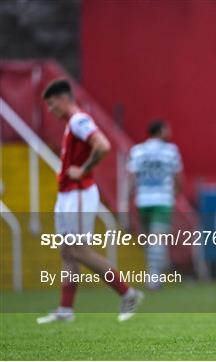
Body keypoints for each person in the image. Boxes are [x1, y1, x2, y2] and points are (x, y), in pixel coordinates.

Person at [37, 79, 143, 324]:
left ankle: (127, 293)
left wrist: (83, 168)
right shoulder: (71, 123)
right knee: (67, 251)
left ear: (64, 99)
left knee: (78, 250)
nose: (51, 111)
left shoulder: (78, 120)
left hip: (79, 193)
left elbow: (103, 145)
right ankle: (65, 309)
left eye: (52, 105)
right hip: (68, 194)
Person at [127, 120, 183, 289]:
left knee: (148, 239)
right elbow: (178, 176)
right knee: (157, 239)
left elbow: (131, 178)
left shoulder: (137, 151)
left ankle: (156, 272)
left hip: (143, 200)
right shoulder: (170, 151)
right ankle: (154, 276)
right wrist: (176, 193)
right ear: (160, 131)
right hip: (162, 199)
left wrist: (127, 199)